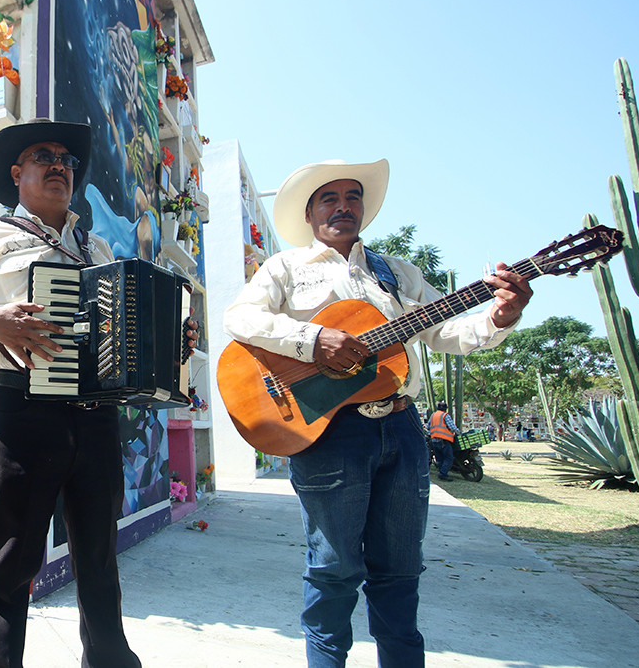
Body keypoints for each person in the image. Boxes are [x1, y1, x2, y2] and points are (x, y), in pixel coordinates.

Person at [223, 159, 532, 667]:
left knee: (400, 569)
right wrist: (314, 339)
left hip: (403, 428)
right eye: (331, 198)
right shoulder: (285, 268)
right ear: (310, 213)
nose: (344, 205)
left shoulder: (398, 273)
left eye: (353, 196)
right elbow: (240, 319)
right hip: (327, 433)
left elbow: (446, 332)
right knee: (333, 568)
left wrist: (502, 315)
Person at [0, 120, 191, 668]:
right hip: (24, 413)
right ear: (16, 174)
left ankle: (109, 660)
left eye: (67, 159)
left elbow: (125, 329)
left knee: (98, 556)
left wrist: (170, 340)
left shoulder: (95, 247)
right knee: (9, 562)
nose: (59, 165)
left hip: (95, 420)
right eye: (43, 156)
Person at [428, 401, 461, 481]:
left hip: (434, 440)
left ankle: (442, 472)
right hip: (444, 441)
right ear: (445, 409)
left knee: (440, 458)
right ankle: (443, 474)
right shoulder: (444, 415)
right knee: (449, 458)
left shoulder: (433, 415)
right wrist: (458, 432)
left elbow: (428, 426)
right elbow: (452, 427)